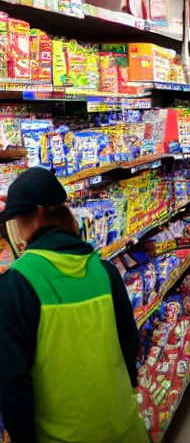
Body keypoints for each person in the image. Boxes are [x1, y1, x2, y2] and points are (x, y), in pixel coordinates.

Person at [0, 167, 149, 442]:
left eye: (17, 218)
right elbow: (130, 345)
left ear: (40, 213)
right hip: (125, 429)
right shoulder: (105, 271)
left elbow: (13, 385)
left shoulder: (16, 284)